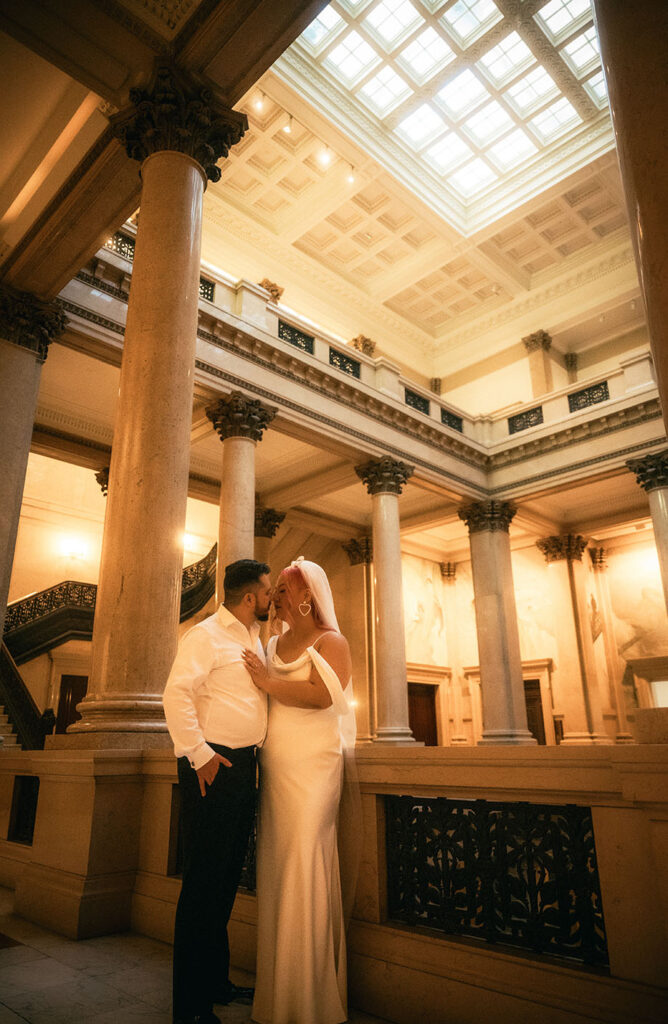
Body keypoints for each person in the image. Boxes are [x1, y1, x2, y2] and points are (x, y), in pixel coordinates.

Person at [241, 556, 357, 1024]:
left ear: (307, 595)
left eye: (284, 590)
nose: (276, 597)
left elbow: (322, 696)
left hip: (315, 766)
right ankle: (279, 994)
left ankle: (311, 998)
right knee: (278, 865)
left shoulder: (333, 641)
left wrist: (267, 681)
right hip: (276, 765)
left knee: (306, 859)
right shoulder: (271, 642)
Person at [163, 558, 273, 1024]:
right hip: (213, 766)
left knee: (226, 880)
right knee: (203, 885)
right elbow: (176, 694)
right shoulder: (204, 635)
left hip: (244, 765)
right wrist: (200, 755)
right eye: (267, 592)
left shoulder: (252, 636)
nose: (271, 599)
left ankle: (215, 981)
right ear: (249, 597)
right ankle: (190, 1006)